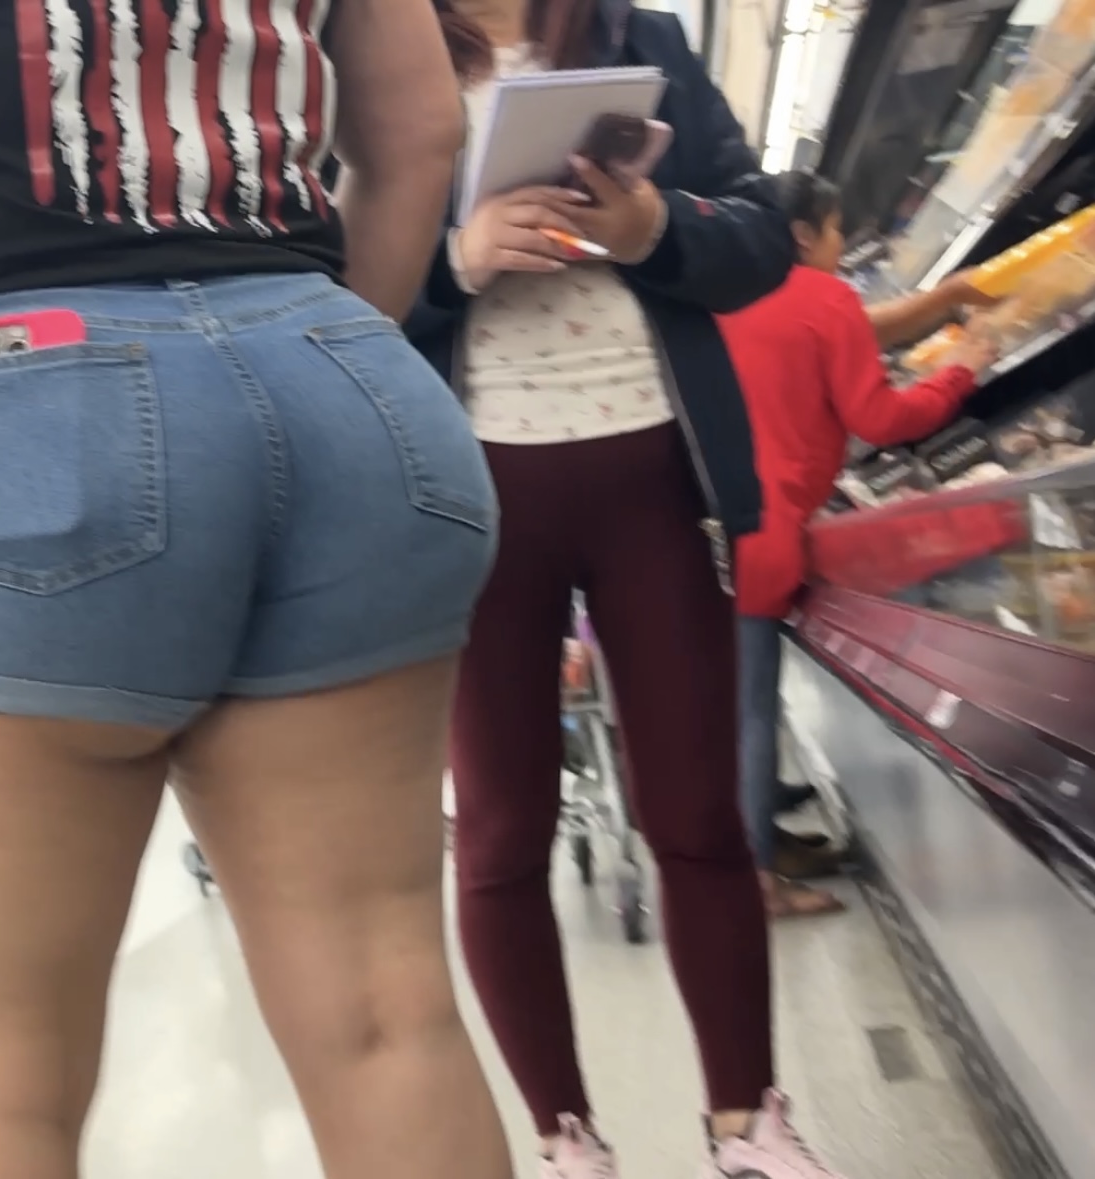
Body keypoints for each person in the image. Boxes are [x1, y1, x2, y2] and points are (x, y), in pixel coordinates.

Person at [0, 2, 516, 1178]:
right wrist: (320, 354)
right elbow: (418, 131)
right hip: (347, 381)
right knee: (386, 1019)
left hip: (15, 392)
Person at [410, 3, 854, 1178]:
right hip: (474, 493)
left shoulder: (638, 35)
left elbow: (760, 237)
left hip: (657, 475)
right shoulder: (369, 51)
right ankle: (565, 1137)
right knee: (500, 832)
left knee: (698, 817)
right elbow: (331, 288)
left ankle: (745, 1124)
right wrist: (455, 263)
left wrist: (654, 226)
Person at [719, 169, 998, 917]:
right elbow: (879, 419)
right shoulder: (822, 296)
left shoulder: (731, 296)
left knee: (733, 705)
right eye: (837, 229)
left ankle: (761, 837)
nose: (842, 245)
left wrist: (942, 301)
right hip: (768, 532)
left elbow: (842, 338)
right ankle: (758, 881)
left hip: (715, 527)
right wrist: (960, 373)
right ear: (802, 234)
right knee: (750, 709)